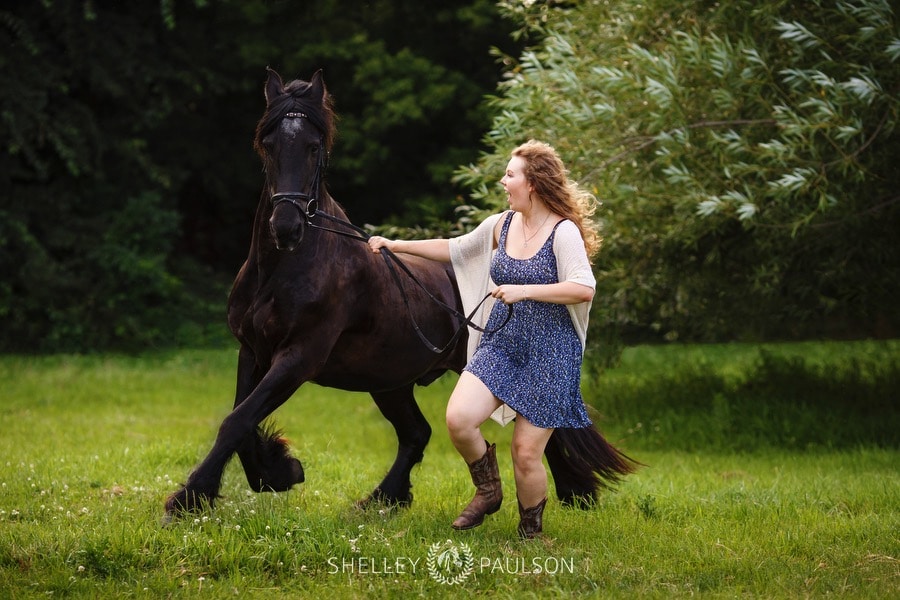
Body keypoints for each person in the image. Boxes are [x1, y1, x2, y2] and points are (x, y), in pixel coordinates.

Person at [367, 140, 601, 539]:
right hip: (504, 342)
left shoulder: (563, 233)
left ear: (534, 184)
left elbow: (583, 288)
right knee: (459, 419)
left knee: (526, 453)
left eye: (510, 174)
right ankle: (489, 490)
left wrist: (523, 290)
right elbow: (454, 249)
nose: (503, 181)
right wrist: (395, 245)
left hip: (551, 352)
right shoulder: (502, 224)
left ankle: (531, 533)